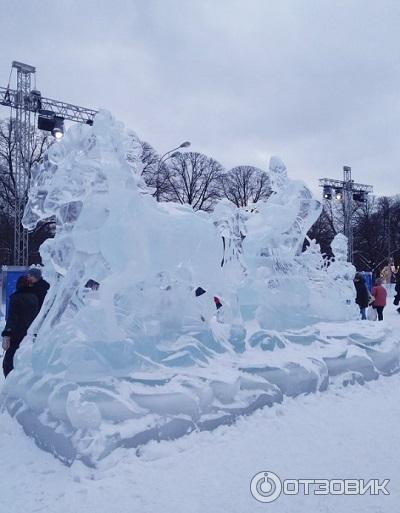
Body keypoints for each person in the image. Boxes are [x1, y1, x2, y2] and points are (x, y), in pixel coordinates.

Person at [1, 275, 39, 377]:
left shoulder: (15, 298)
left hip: (16, 334)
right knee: (24, 361)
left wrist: (7, 332)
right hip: (29, 334)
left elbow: (12, 318)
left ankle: (10, 385)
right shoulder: (34, 298)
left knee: (8, 363)